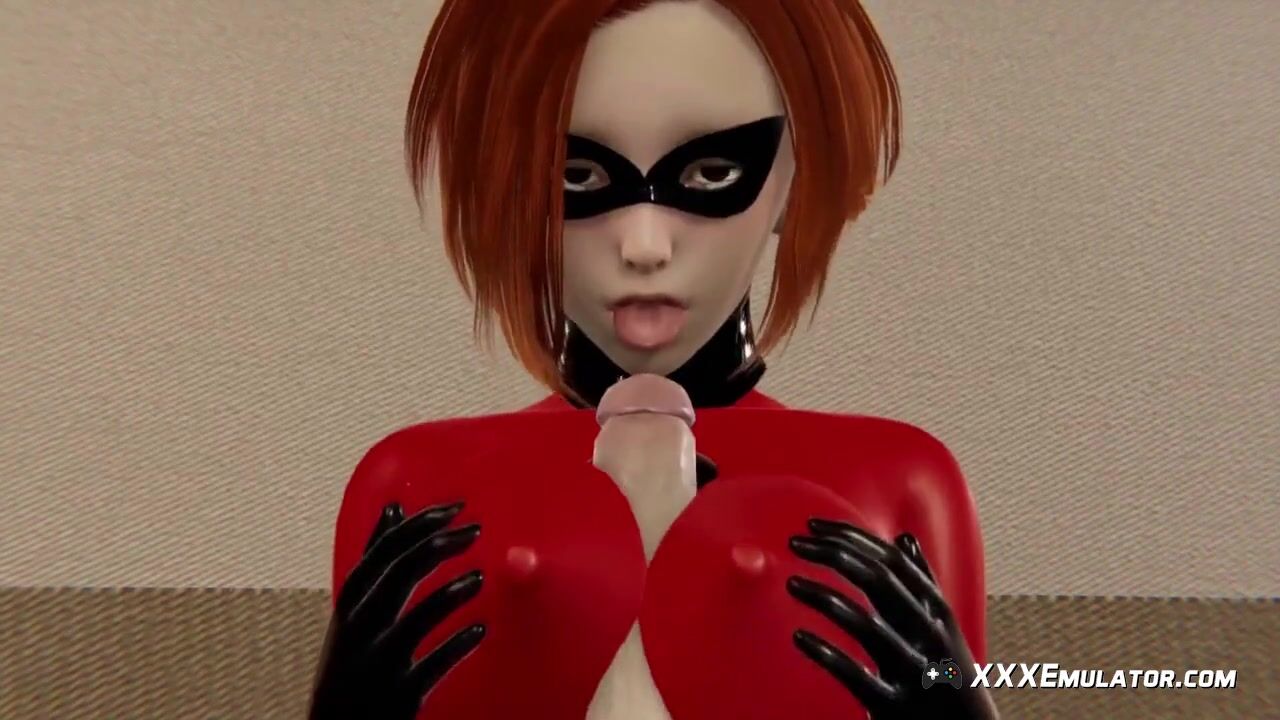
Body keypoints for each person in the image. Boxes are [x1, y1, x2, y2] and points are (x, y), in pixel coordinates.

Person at [309, 1, 999, 718]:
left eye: (711, 172)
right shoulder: (413, 484)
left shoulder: (901, 480)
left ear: (799, 171)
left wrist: (957, 703)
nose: (644, 245)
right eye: (576, 175)